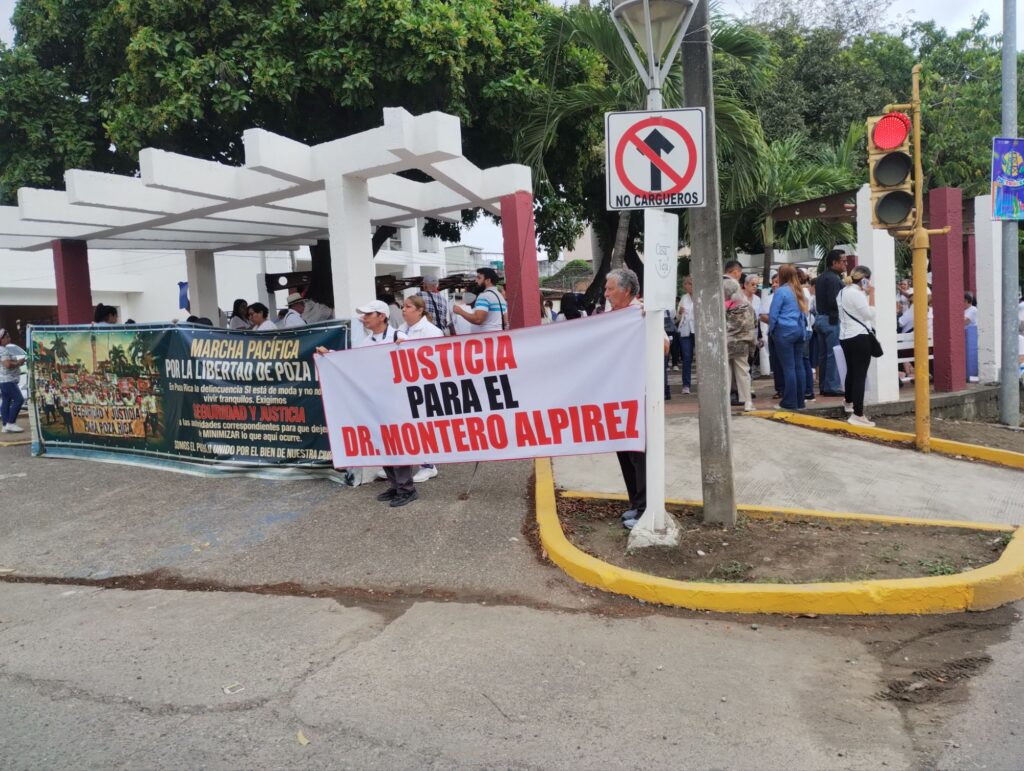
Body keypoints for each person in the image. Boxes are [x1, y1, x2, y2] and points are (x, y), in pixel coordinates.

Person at [604, 268, 668, 530]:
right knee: (624, 449)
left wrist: (648, 322)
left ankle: (645, 509)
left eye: (610, 289)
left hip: (638, 394)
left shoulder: (641, 312)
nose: (606, 294)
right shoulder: (612, 314)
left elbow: (664, 347)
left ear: (627, 290)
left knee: (638, 453)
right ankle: (636, 503)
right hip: (617, 394)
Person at [397, 295, 445, 483]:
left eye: (408, 306)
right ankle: (404, 463)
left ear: (419, 310)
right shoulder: (400, 329)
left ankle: (428, 465)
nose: (403, 309)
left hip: (425, 385)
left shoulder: (432, 331)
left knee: (424, 425)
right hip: (404, 384)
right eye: (403, 306)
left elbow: (437, 359)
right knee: (406, 425)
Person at [838, 266, 877, 427]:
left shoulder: (842, 292)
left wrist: (865, 293)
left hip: (845, 336)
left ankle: (848, 402)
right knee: (860, 375)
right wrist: (872, 294)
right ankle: (858, 414)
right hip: (859, 336)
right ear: (865, 279)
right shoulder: (856, 294)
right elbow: (869, 314)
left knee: (852, 371)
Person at [768, 264, 808, 410]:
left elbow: (773, 314)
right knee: (799, 366)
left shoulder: (781, 291)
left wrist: (772, 331)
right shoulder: (798, 290)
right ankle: (800, 401)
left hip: (784, 331)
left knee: (788, 368)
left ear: (782, 275)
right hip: (799, 331)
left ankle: (789, 402)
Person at [813, 249, 847, 396]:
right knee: (833, 354)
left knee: (823, 355)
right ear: (834, 262)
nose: (846, 264)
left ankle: (825, 386)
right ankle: (831, 386)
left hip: (821, 318)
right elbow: (834, 302)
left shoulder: (822, 277)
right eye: (843, 261)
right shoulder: (833, 279)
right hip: (831, 320)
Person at [724, 278, 757, 412]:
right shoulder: (747, 305)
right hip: (742, 343)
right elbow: (754, 322)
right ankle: (747, 402)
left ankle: (724, 402)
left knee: (726, 373)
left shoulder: (722, 306)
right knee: (743, 372)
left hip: (726, 343)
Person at [452, 267, 507, 332]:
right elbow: (505, 320)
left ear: (488, 280)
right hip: (498, 334)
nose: (476, 281)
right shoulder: (500, 296)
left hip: (485, 336)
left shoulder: (484, 296)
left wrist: (460, 311)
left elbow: (478, 320)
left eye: (479, 278)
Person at [0, 328, 26, 432]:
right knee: (19, 399)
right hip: (8, 380)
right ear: (1, 339)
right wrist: (18, 363)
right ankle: (11, 423)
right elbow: (7, 364)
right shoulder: (3, 350)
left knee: (6, 401)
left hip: (3, 380)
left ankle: (5, 425)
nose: (9, 338)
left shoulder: (2, 349)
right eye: (7, 337)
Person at [676, 276, 695, 394]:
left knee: (702, 358)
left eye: (688, 284)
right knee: (687, 357)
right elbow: (677, 316)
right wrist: (679, 311)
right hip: (685, 330)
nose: (686, 286)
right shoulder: (684, 298)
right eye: (685, 284)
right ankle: (686, 385)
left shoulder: (701, 296)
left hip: (698, 330)